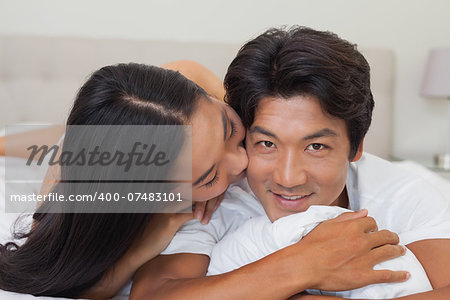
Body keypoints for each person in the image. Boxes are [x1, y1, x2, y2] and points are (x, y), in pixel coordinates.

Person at [0, 60, 405, 299]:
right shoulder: (126, 206)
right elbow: (96, 288)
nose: (244, 160)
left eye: (232, 129)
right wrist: (297, 269)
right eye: (210, 175)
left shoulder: (192, 78)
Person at [129, 29, 436, 300]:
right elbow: (154, 294)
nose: (288, 177)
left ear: (356, 147)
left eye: (316, 146)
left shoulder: (401, 191)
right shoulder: (217, 198)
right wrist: (303, 266)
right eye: (267, 144)